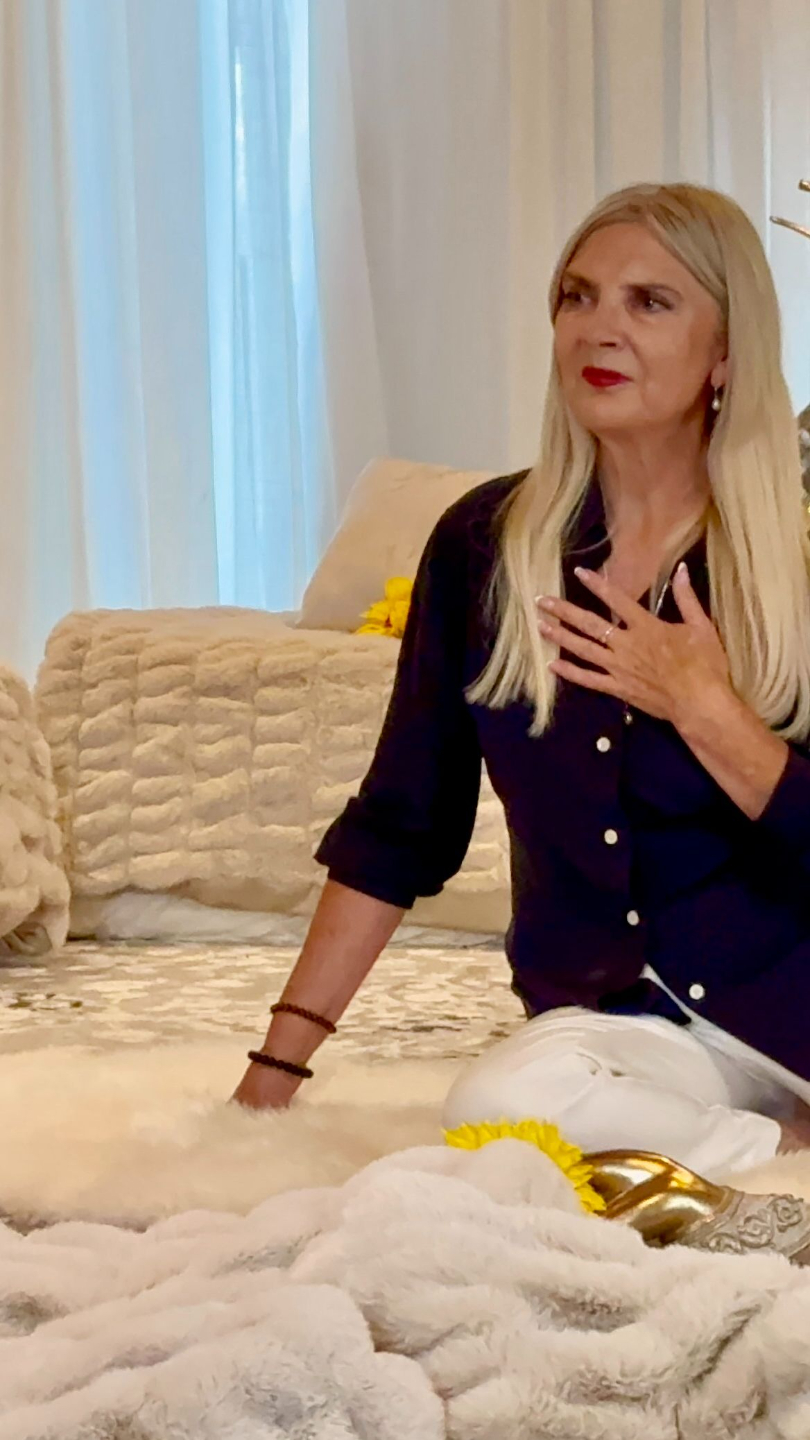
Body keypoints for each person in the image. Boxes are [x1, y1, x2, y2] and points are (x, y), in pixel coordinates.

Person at [233, 181, 810, 1180]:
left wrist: (708, 711)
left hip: (790, 996)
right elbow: (400, 827)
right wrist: (274, 1072)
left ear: (725, 353)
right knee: (501, 1107)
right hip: (626, 1033)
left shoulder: (793, 564)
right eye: (577, 296)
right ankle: (775, 1154)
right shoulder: (483, 546)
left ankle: (715, 1156)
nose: (600, 328)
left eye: (650, 302)